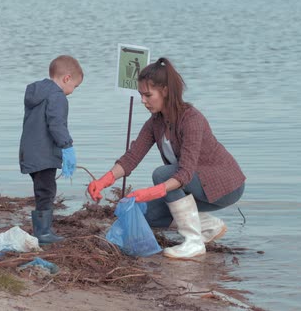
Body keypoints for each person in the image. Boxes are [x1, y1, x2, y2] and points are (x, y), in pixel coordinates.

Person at [88, 57, 245, 258]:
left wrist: (153, 191)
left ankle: (194, 242)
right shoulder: (156, 122)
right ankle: (207, 225)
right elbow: (132, 157)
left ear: (165, 91)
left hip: (225, 186)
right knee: (147, 215)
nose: (143, 101)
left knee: (162, 174)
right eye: (140, 95)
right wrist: (104, 181)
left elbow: (185, 174)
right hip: (195, 185)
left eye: (147, 95)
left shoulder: (191, 119)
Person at [19, 55, 83, 245]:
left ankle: (42, 230)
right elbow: (56, 124)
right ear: (66, 78)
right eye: (75, 86)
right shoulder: (57, 96)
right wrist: (67, 146)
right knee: (47, 191)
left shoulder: (36, 93)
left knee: (41, 190)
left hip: (29, 151)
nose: (72, 92)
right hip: (44, 154)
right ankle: (43, 233)